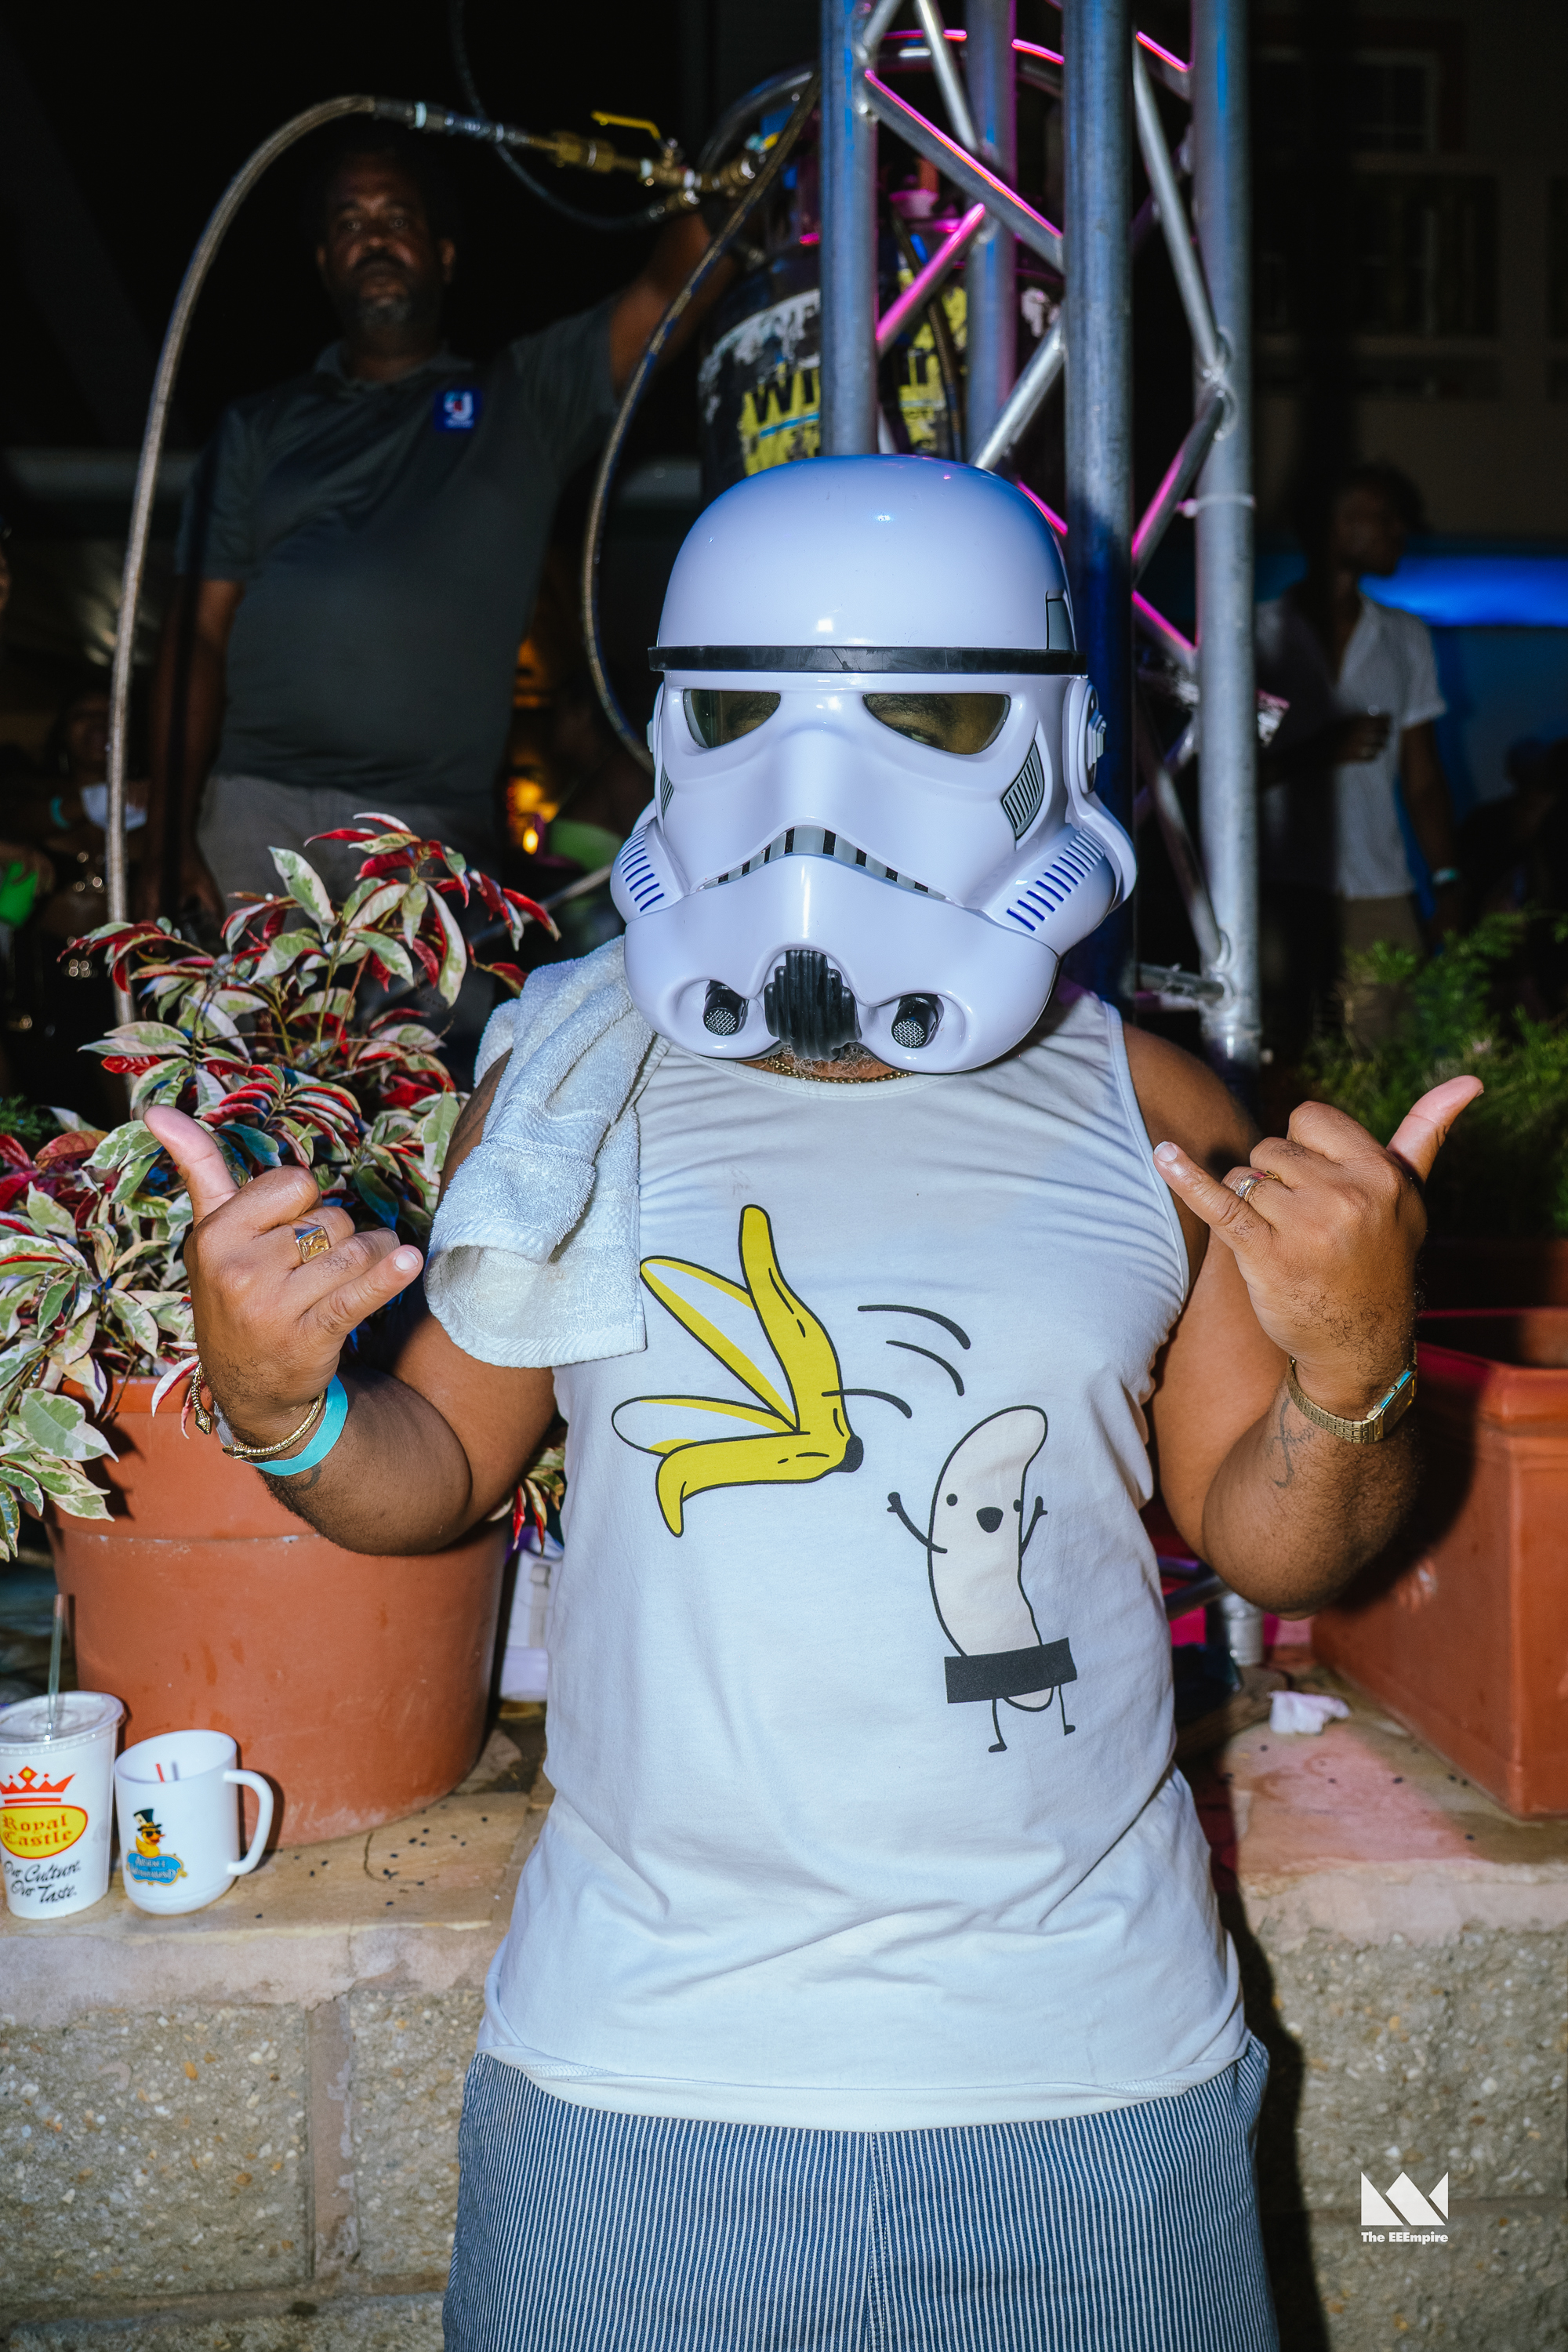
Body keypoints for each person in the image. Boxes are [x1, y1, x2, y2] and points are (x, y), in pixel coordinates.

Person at [147, 458, 1479, 2352]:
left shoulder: (1155, 1106)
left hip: (1087, 2067)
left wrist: (1354, 1370)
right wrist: (281, 1400)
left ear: (1047, 740)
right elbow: (430, 1468)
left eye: (919, 718)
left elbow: (1271, 1539)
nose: (815, 787)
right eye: (747, 713)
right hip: (634, 2072)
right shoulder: (579, 1075)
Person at [142, 125, 717, 922]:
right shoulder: (257, 426)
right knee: (240, 1010)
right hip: (254, 810)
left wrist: (731, 171)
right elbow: (197, 632)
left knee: (441, 1013)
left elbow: (670, 289)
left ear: (443, 255)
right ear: (324, 262)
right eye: (349, 222)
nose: (374, 237)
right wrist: (165, 834)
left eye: (397, 217)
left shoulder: (521, 401)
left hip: (429, 829)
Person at [1255, 460, 1463, 1052]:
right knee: (1285, 1055)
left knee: (1383, 1062)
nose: (1400, 530)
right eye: (1384, 517)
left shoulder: (1405, 637)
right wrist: (1318, 751)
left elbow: (1423, 778)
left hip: (1380, 889)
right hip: (1280, 886)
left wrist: (1448, 881)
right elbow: (1215, 780)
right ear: (1336, 525)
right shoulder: (1254, 635)